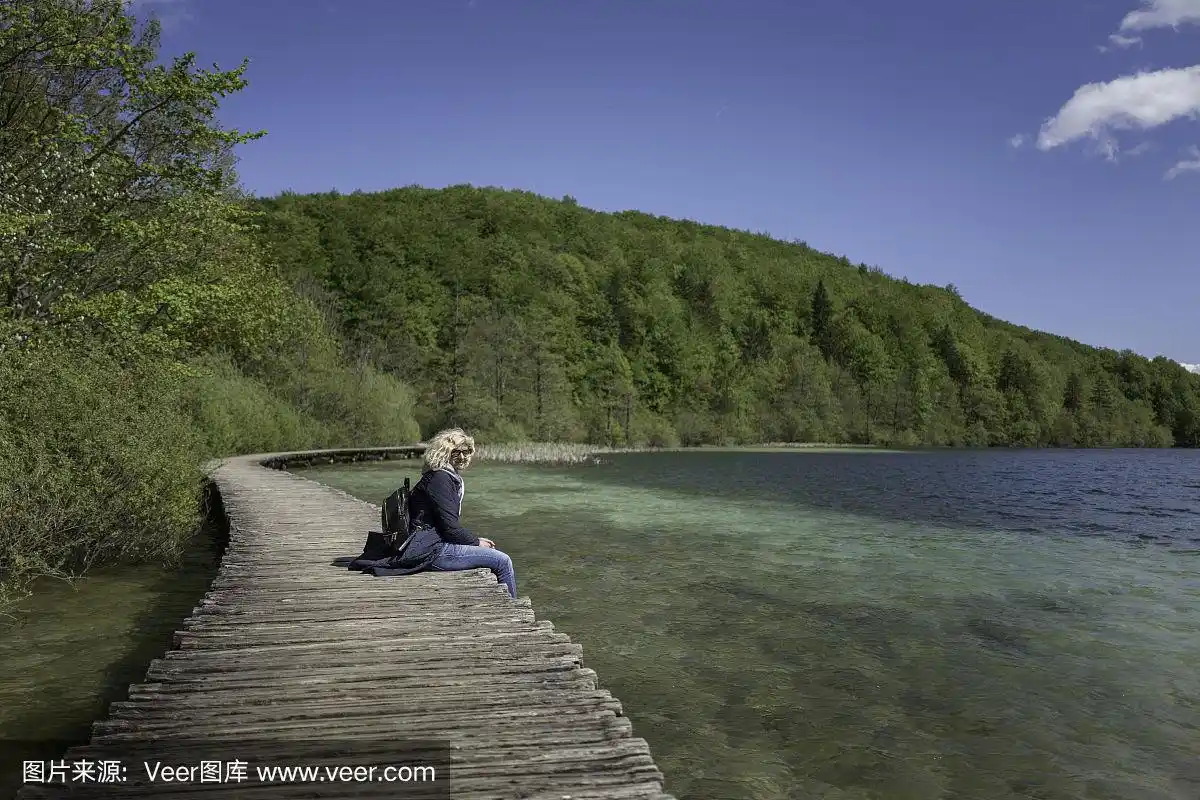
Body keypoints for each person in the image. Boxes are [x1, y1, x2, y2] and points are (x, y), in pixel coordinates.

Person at [353, 428, 517, 598]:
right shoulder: (440, 479)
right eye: (456, 452)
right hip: (429, 550)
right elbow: (450, 529)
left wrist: (474, 542)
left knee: (493, 557)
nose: (462, 457)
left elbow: (445, 525)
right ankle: (514, 612)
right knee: (502, 561)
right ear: (444, 452)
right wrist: (476, 542)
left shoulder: (440, 475)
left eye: (466, 451)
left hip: (426, 543)